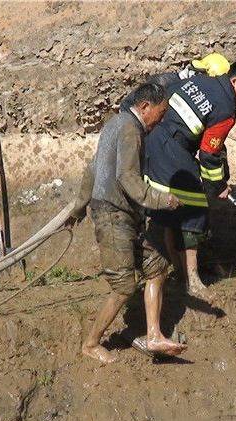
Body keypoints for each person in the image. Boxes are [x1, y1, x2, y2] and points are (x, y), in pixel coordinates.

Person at [68, 83, 187, 364]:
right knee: (123, 286)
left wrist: (78, 208)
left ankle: (154, 334)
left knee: (156, 268)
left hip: (122, 214)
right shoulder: (131, 130)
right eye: (161, 113)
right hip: (114, 215)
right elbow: (127, 178)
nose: (160, 121)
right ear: (145, 107)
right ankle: (91, 343)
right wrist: (163, 200)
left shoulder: (115, 125)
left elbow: (93, 169)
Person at [144, 60, 236, 294]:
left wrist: (219, 178)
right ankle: (193, 279)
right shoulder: (226, 109)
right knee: (195, 211)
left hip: (152, 138)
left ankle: (180, 273)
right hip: (171, 150)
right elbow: (209, 152)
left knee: (173, 211)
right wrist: (216, 186)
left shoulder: (200, 80)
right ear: (234, 81)